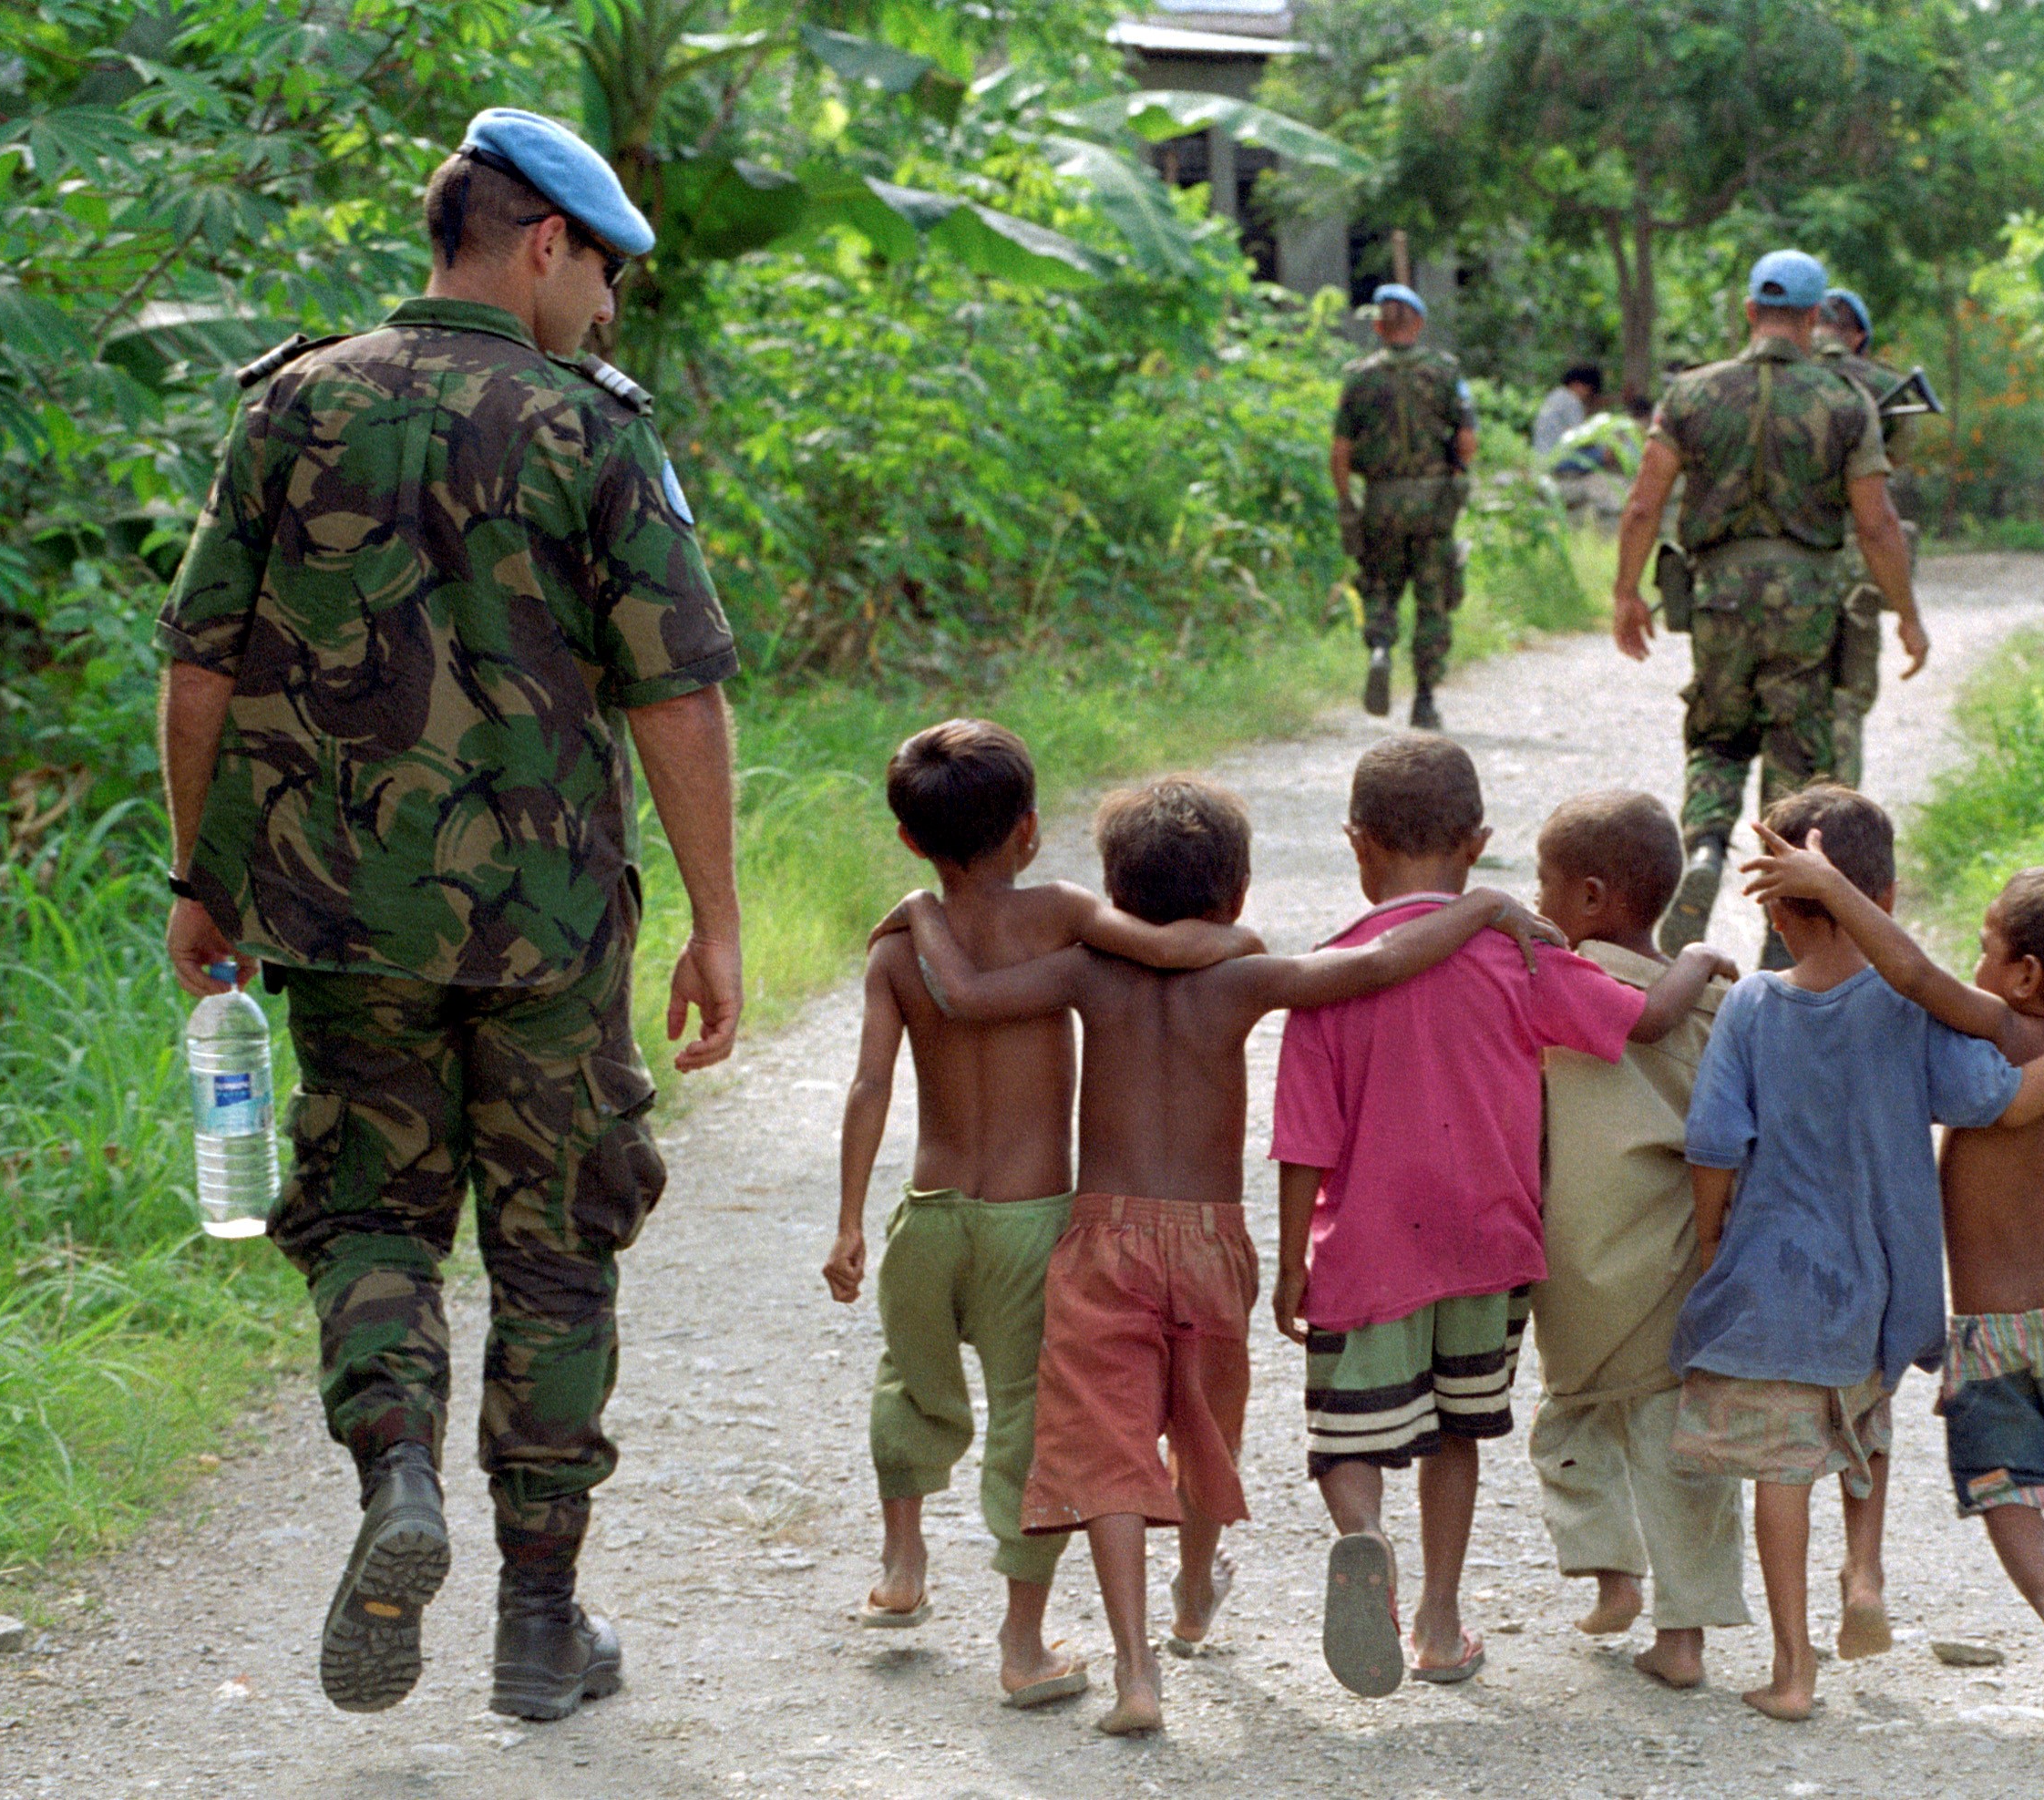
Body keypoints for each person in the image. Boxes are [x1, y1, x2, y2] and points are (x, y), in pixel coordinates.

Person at [156, 108, 740, 1722]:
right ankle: (541, 1628)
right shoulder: (591, 431)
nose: (608, 310)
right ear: (541, 243)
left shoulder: (292, 405)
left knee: (370, 1217)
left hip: (339, 922)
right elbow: (676, 693)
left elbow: (198, 659)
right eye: (604, 273)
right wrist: (718, 921)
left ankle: (396, 1477)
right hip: (548, 933)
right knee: (557, 1251)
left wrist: (201, 874)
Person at [894, 778, 1556, 1735]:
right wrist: (1486, 903)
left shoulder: (1088, 970)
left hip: (1104, 1235)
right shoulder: (1246, 976)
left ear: (1117, 894)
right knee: (1201, 1427)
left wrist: (920, 907)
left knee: (1106, 1445)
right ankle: (1197, 1594)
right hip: (1210, 1242)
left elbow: (962, 994)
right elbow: (1377, 963)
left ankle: (1135, 1674)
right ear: (1238, 893)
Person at [1269, 738, 1735, 1698]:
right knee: (1455, 1432)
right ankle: (1440, 1621)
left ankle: (1363, 1541)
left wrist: (1287, 1261)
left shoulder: (1332, 973)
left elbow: (1302, 1139)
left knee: (1347, 1436)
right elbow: (1643, 1021)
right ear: (1478, 844)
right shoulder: (1518, 953)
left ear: (1358, 845)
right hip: (1488, 1241)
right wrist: (1693, 959)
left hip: (1366, 1243)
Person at [826, 720, 1258, 1708]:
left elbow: (867, 1086)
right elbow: (1156, 947)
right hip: (1030, 1224)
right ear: (1028, 830)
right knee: (1032, 1423)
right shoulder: (1061, 914)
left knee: (911, 1380)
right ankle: (1023, 1646)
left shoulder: (900, 946)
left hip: (927, 1215)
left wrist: (851, 1221)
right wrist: (1241, 942)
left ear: (908, 841)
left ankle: (902, 1561)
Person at [1673, 785, 2044, 1723]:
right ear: (1888, 895)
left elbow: (1714, 1141)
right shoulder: (1915, 1008)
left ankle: (1794, 1670)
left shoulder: (1753, 1007)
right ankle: (1865, 1574)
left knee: (1782, 1468)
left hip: (1775, 1279)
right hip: (1885, 1281)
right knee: (1863, 1427)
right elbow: (1998, 1099)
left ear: (1777, 908)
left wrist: (1713, 1240)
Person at [1607, 250, 1931, 962]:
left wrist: (1627, 591)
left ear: (1750, 312)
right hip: (1808, 602)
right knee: (1796, 758)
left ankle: (1704, 851)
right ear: (1814, 320)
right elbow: (1875, 524)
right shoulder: (1844, 402)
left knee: (1718, 737)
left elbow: (1643, 503)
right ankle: (1781, 932)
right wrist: (1906, 612)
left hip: (1717, 595)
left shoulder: (1690, 395)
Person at [1525, 788, 1748, 1688]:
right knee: (1682, 1449)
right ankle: (1684, 1638)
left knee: (1569, 1423)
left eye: (1545, 885)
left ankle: (1612, 1573)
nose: (1537, 905)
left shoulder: (1560, 986)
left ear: (1587, 897)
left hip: (1577, 1262)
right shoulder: (1721, 1002)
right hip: (1680, 1261)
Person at [1331, 283, 1479, 733]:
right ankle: (1425, 699)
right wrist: (1455, 470)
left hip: (1381, 499)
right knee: (1433, 599)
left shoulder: (1358, 377)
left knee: (1380, 585)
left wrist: (1346, 502)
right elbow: (1468, 441)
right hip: (1433, 502)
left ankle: (1379, 648)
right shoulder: (1445, 372)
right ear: (1418, 324)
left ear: (1377, 327)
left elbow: (1339, 452)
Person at [1814, 287, 1918, 788]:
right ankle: (1835, 829)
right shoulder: (1886, 387)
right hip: (1857, 559)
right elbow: (1886, 477)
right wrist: (1908, 614)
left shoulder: (1762, 384)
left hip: (1773, 567)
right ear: (1857, 336)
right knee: (1845, 702)